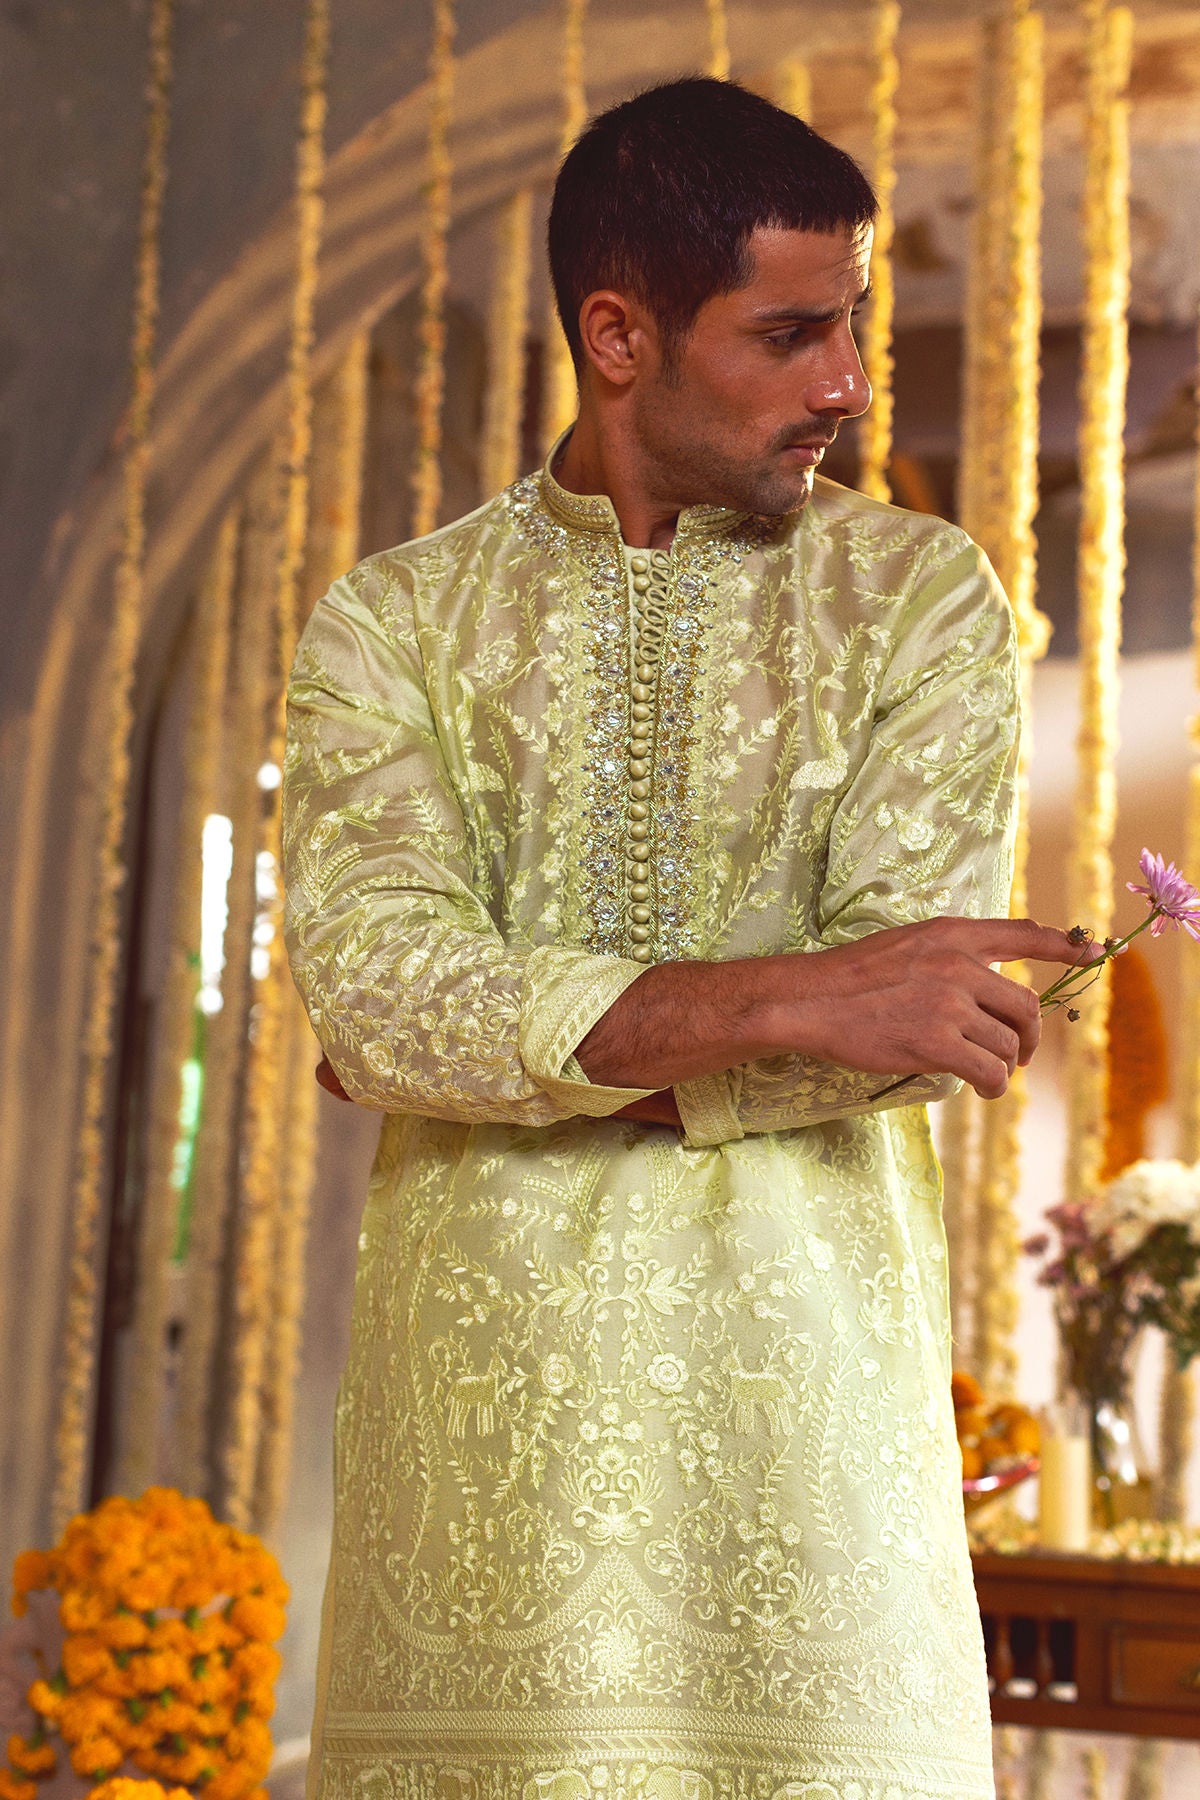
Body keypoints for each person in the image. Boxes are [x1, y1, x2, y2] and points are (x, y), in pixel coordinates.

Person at [284, 76, 1088, 1800]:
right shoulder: (394, 624)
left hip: (813, 1472)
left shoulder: (922, 602)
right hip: (481, 1504)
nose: (846, 381)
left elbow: (912, 1031)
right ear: (619, 336)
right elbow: (376, 990)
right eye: (790, 333)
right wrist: (804, 995)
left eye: (852, 321)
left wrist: (497, 1052)